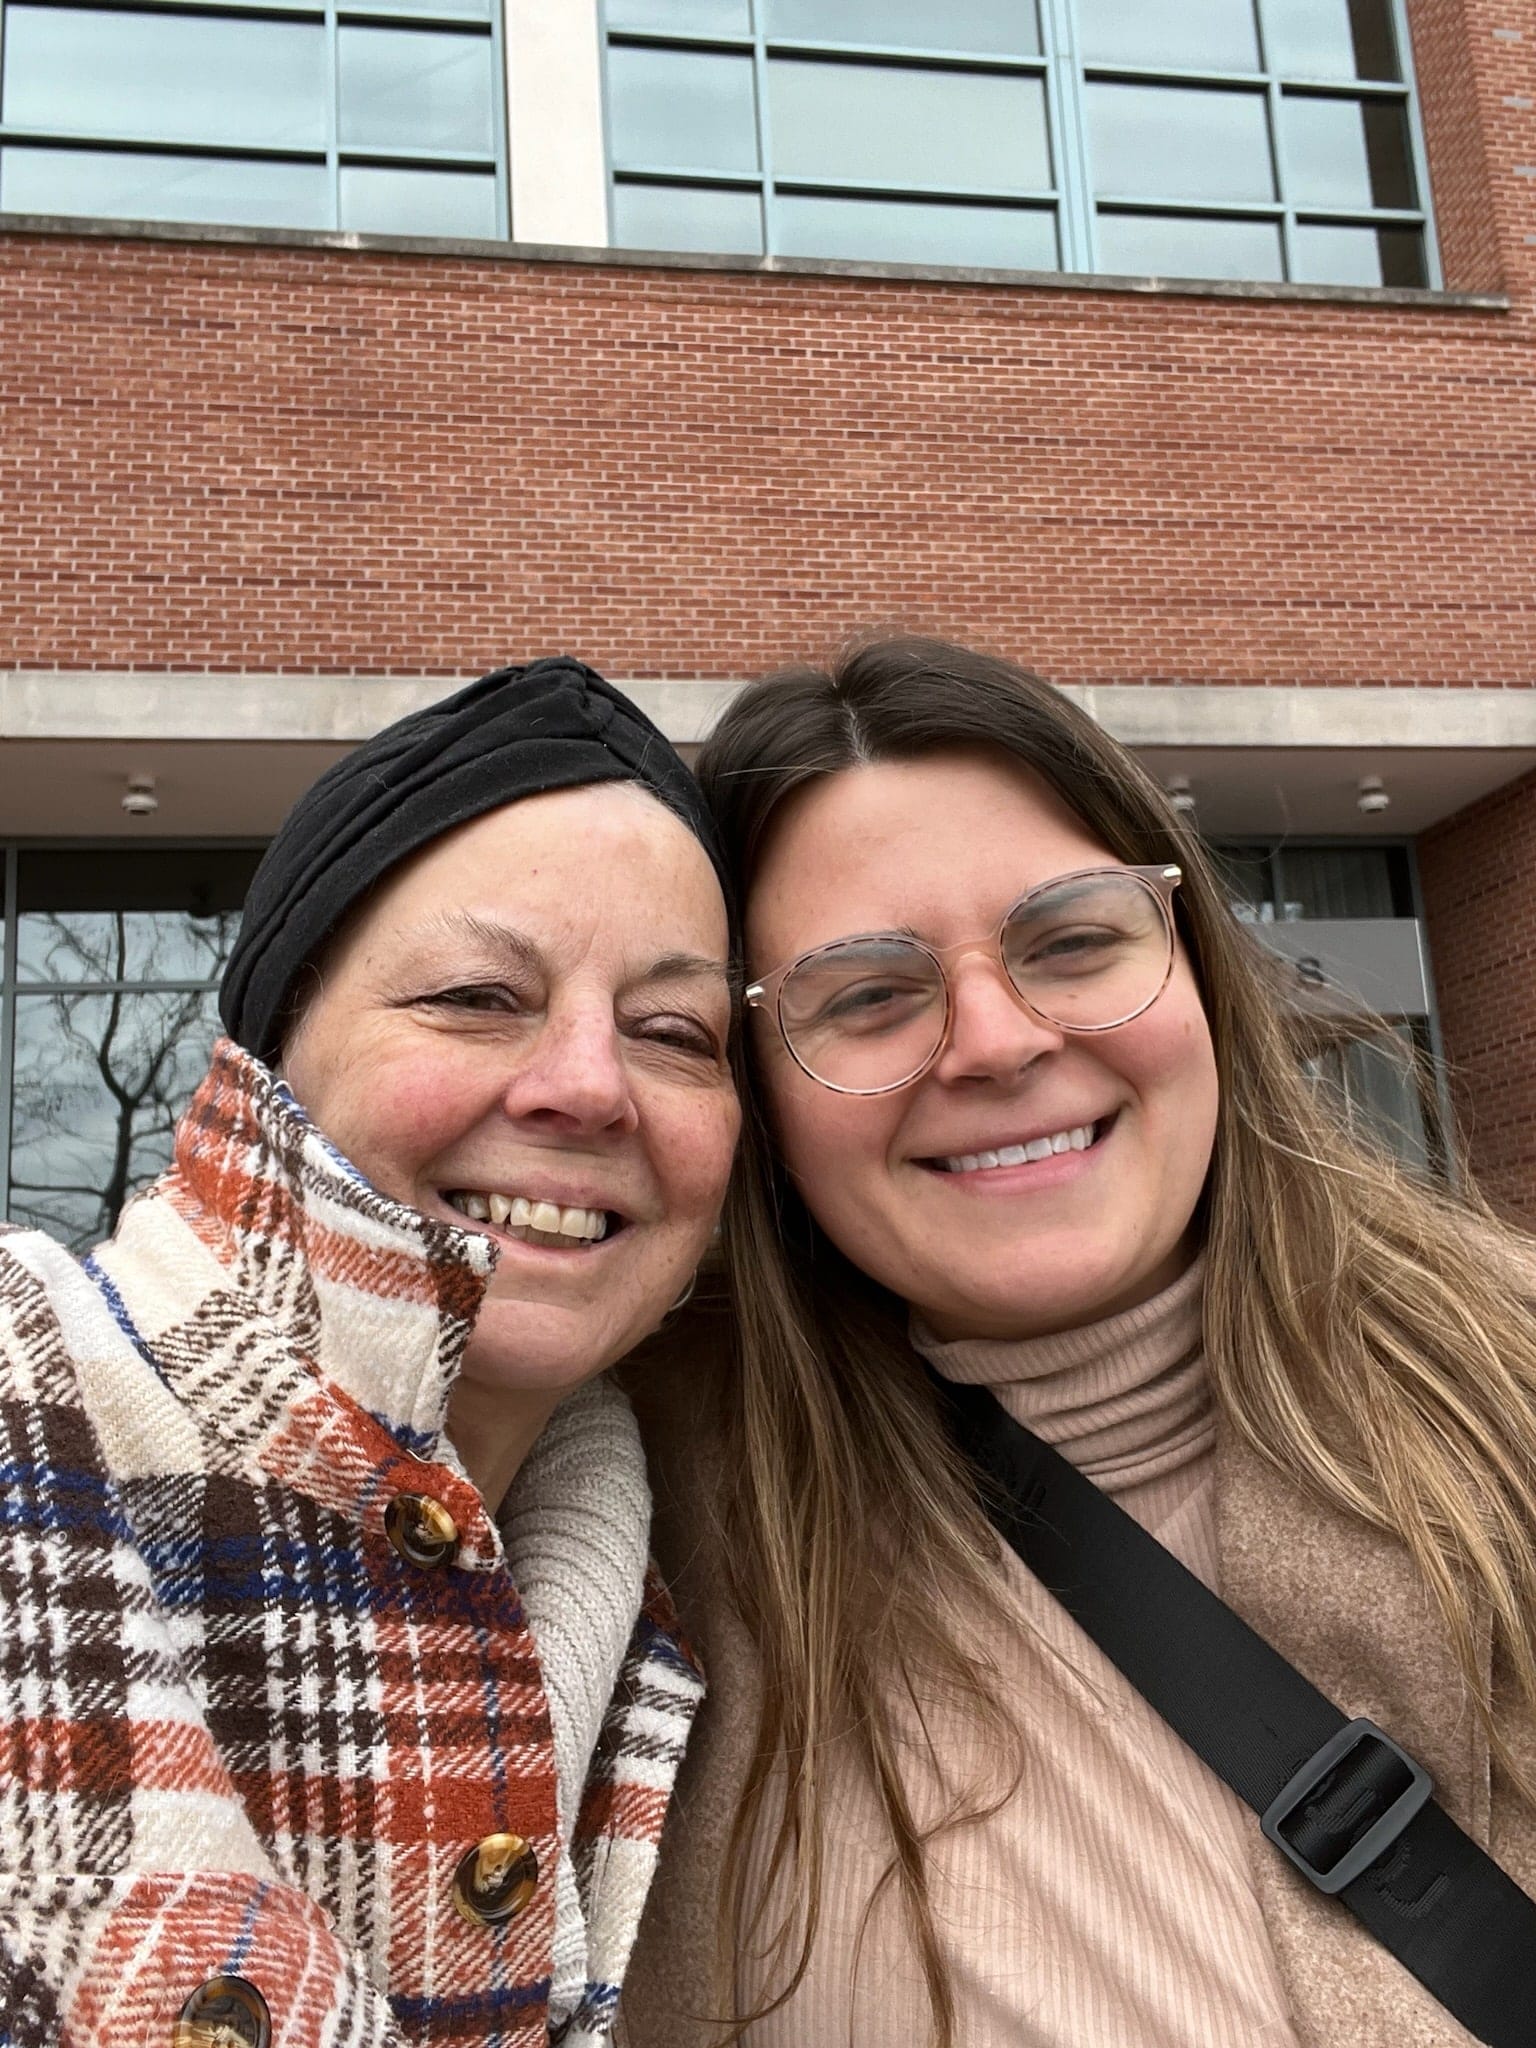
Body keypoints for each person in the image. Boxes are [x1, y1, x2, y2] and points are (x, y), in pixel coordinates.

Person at [622, 636, 1536, 2048]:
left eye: (1071, 938)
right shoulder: (633, 1544)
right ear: (756, 1088)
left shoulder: (1513, 1384)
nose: (993, 1041)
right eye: (865, 993)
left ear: (1196, 973)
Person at [0, 658, 740, 2048]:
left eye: (674, 1032)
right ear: (276, 1056)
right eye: (474, 994)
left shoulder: (723, 1582)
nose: (588, 1084)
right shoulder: (29, 1396)